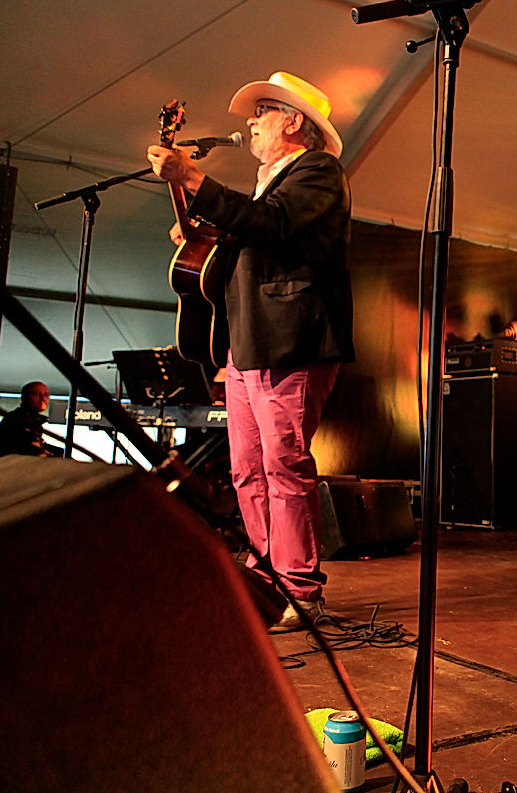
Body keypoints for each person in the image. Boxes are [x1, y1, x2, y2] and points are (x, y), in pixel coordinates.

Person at [147, 71, 354, 633]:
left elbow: (275, 226)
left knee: (283, 464)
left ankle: (302, 589)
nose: (251, 122)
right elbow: (251, 238)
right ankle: (265, 578)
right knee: (245, 470)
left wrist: (193, 176)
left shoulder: (318, 171)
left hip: (292, 340)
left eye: (262, 111)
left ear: (293, 121)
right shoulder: (270, 183)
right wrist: (200, 230)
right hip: (248, 343)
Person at [0, 381, 62, 457]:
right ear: (24, 397)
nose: (43, 398)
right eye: (36, 394)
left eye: (46, 394)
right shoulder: (17, 421)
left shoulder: (32, 421)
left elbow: (39, 445)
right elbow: (30, 449)